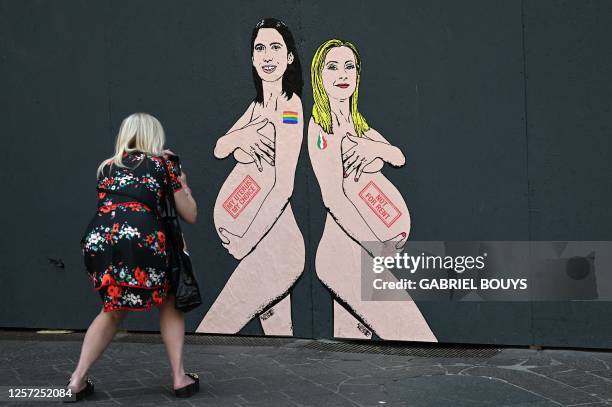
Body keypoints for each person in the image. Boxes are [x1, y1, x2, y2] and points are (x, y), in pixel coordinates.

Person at [308, 39, 437, 341]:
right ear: (320, 76)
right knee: (418, 336)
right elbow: (334, 199)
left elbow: (398, 155)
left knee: (349, 349)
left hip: (357, 253)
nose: (343, 74)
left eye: (349, 67)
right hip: (343, 256)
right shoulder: (321, 130)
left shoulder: (358, 125)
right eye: (333, 67)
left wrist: (371, 147)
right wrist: (378, 248)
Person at [65, 113, 199, 401]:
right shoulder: (163, 164)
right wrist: (182, 181)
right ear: (154, 136)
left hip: (99, 240)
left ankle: (76, 380)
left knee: (112, 308)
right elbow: (190, 214)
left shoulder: (107, 167)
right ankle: (179, 378)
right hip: (139, 237)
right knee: (170, 300)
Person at [196, 18, 305, 335]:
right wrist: (239, 139)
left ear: (289, 57)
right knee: (280, 339)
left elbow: (283, 186)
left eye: (275, 47)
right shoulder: (256, 107)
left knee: (213, 328)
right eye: (260, 48)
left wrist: (247, 240)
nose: (268, 56)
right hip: (265, 246)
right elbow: (219, 147)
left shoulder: (289, 108)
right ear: (252, 58)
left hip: (277, 248)